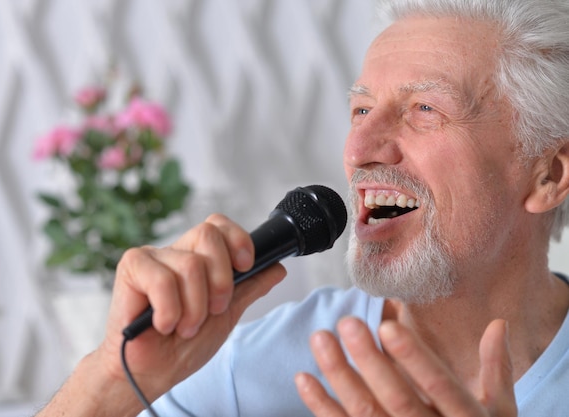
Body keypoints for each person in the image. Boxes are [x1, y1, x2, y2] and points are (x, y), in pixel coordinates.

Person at [36, 0, 569, 415]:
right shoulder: (260, 365)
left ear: (550, 175)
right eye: (360, 109)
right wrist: (111, 381)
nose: (358, 151)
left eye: (424, 110)